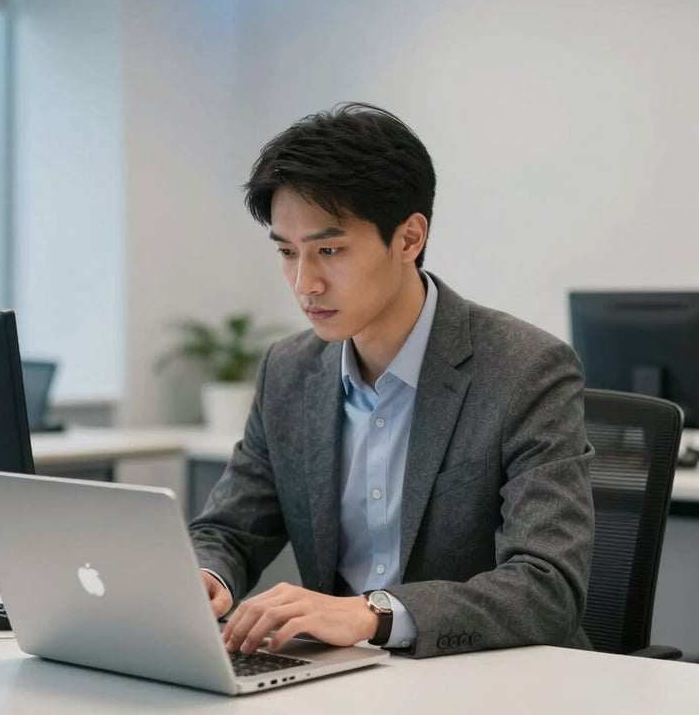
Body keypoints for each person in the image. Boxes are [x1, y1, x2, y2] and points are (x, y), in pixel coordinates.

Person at [190, 102, 594, 659]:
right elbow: (230, 530)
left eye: (329, 251)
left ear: (408, 239)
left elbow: (547, 587)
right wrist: (206, 577)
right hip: (342, 685)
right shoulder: (289, 370)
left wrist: (371, 613)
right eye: (288, 253)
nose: (305, 283)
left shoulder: (526, 369)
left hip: (489, 686)